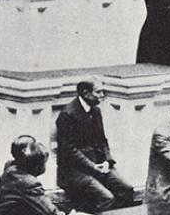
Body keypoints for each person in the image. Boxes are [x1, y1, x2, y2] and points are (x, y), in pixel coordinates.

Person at [56, 79, 133, 212]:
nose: (102, 95)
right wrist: (93, 167)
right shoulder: (67, 115)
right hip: (74, 171)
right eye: (99, 92)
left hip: (98, 165)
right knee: (106, 198)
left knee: (127, 189)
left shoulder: (96, 111)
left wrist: (108, 161)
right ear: (86, 93)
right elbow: (69, 151)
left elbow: (102, 140)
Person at [0, 139, 81, 215]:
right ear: (37, 166)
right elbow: (50, 213)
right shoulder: (30, 183)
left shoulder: (11, 169)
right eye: (44, 162)